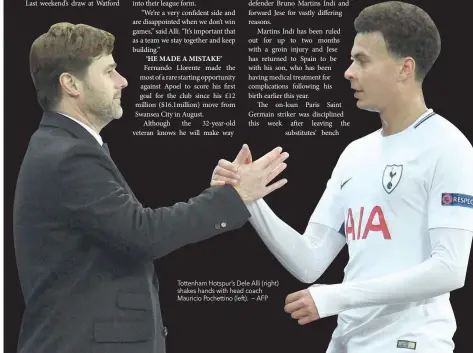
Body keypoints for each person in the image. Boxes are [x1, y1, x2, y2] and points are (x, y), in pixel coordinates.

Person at [211, 2, 473, 352]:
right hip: (347, 341)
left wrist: (335, 297)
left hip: (411, 342)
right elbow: (310, 260)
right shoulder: (355, 154)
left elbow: (450, 269)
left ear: (404, 69)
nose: (349, 72)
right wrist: (248, 198)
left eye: (362, 60)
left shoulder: (449, 147)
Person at [13, 22, 289, 353]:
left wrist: (218, 194)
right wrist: (232, 197)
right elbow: (142, 234)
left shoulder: (60, 146)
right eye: (109, 71)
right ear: (71, 83)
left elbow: (122, 234)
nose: (122, 81)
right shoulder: (69, 154)